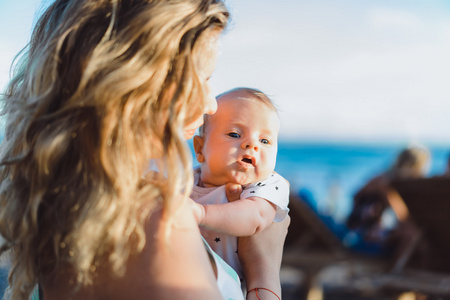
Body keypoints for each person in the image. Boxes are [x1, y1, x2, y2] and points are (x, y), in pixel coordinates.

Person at [0, 1, 289, 300]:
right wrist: (264, 271)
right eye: (203, 78)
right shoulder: (158, 228)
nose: (211, 104)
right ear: (143, 82)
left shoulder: (69, 204)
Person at [191, 87, 290, 281]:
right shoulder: (186, 181)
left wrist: (200, 213)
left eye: (264, 140)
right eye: (235, 135)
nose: (252, 145)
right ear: (200, 148)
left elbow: (255, 217)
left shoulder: (267, 185)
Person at [346, 146, 430, 263]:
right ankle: (394, 272)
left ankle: (397, 271)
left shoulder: (383, 179)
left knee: (412, 234)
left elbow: (355, 197)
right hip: (366, 239)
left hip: (363, 234)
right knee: (411, 234)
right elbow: (403, 218)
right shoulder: (385, 184)